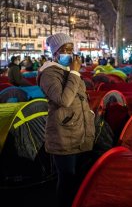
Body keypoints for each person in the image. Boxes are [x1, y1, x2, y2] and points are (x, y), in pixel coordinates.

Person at [37, 33, 95, 207]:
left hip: (79, 131)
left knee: (78, 180)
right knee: (67, 181)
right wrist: (75, 72)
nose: (69, 53)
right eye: (65, 50)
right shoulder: (49, 74)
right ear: (55, 53)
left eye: (71, 49)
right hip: (63, 135)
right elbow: (64, 100)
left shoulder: (67, 71)